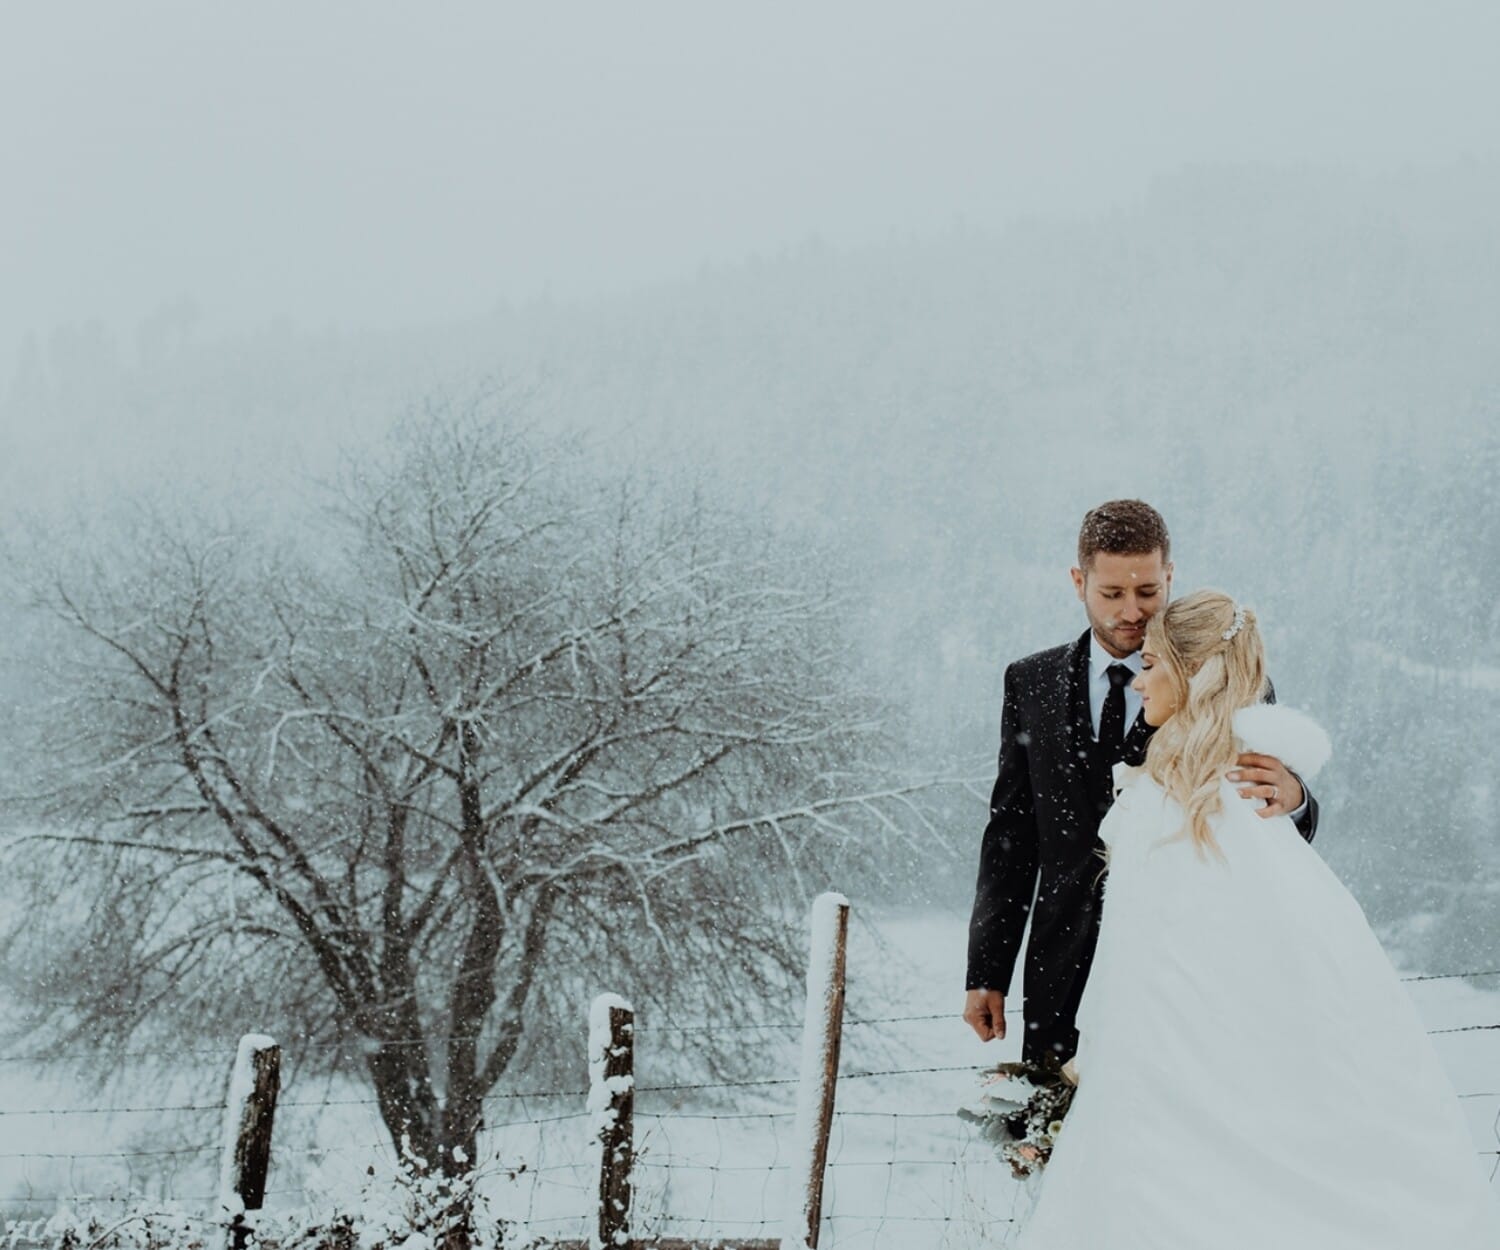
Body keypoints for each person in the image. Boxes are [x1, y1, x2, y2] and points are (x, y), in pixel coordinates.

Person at [1014, 591, 1500, 1246]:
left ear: (1190, 675)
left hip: (1179, 1070)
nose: (1138, 677)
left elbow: (1250, 942)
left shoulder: (1218, 797)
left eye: (1153, 664)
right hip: (1165, 1060)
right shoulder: (1192, 789)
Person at [964, 501, 1318, 1066]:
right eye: (1111, 594)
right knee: (1052, 1148)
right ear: (1079, 581)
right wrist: (987, 969)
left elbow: (1264, 833)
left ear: (1170, 576)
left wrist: (1295, 800)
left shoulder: (1230, 684)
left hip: (1180, 979)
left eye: (1149, 592)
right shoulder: (1029, 683)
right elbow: (1012, 836)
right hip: (1060, 974)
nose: (1132, 611)